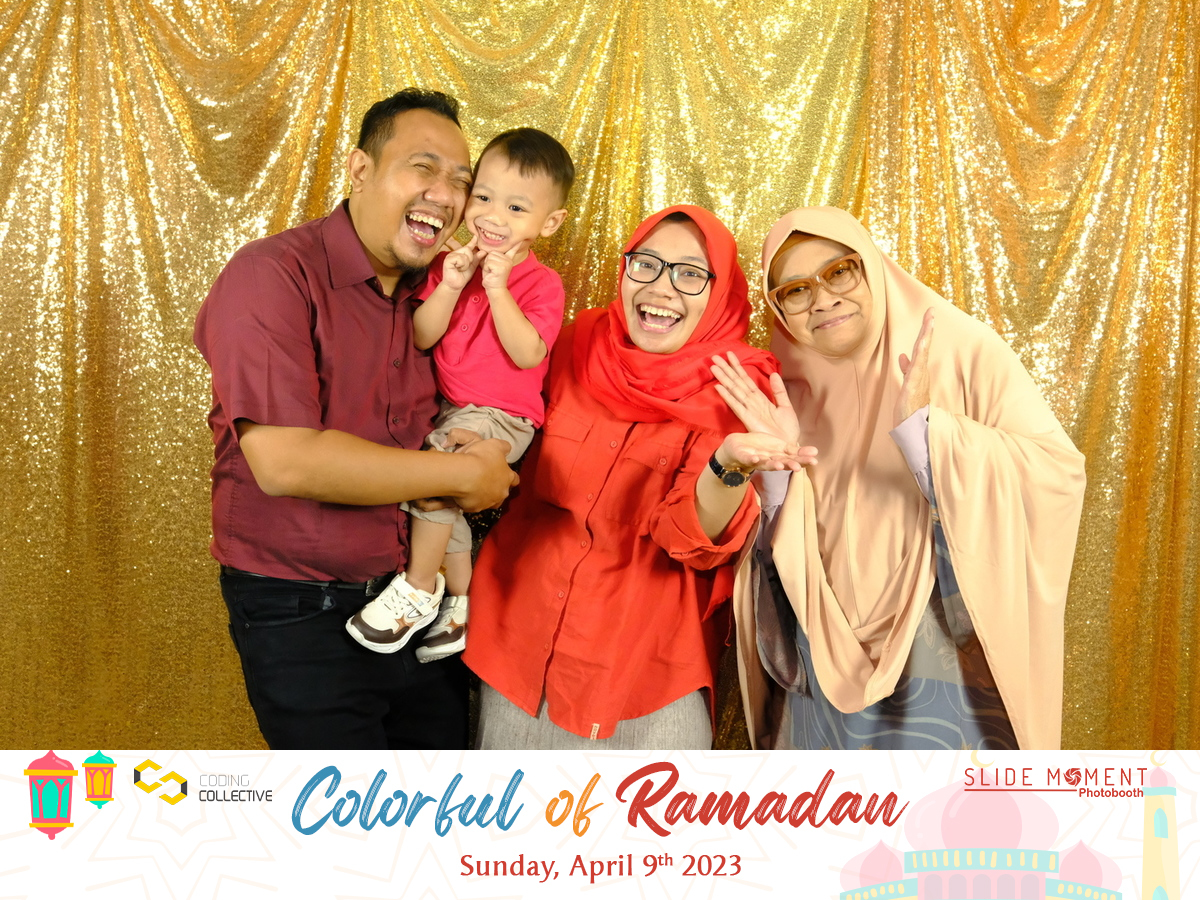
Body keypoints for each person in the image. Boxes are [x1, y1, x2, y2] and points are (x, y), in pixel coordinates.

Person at [192, 88, 518, 750]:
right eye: (423, 167)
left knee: (439, 804)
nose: (445, 195)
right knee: (344, 812)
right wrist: (463, 478)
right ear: (360, 169)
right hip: (302, 609)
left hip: (422, 604)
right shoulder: (272, 275)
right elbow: (286, 462)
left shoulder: (444, 292)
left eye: (462, 181)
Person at [715, 206, 1086, 750]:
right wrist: (778, 474)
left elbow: (1056, 474)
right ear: (779, 309)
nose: (823, 299)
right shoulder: (778, 390)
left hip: (944, 661)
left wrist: (929, 432)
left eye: (839, 272)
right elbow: (764, 556)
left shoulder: (957, 350)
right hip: (818, 661)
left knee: (946, 805)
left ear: (872, 266)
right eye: (795, 291)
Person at [462, 205, 816, 749]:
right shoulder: (574, 344)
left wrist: (730, 465)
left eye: (690, 273)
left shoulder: (739, 389)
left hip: (644, 676)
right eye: (645, 263)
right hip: (516, 651)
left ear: (720, 291)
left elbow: (689, 539)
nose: (661, 287)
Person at [346, 128, 574, 662]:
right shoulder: (452, 265)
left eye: (516, 207)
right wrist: (452, 284)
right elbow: (422, 336)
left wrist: (497, 287)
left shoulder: (541, 283)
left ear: (549, 223)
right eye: (484, 197)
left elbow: (528, 353)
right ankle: (457, 609)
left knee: (435, 478)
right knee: (445, 504)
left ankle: (418, 588)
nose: (493, 217)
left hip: (503, 416)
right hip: (452, 408)